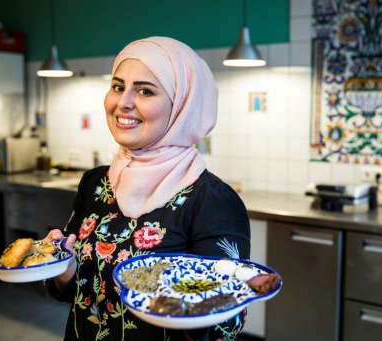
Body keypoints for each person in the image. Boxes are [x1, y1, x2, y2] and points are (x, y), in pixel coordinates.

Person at [43, 36, 251, 340]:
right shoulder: (96, 183)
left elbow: (226, 326)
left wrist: (191, 309)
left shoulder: (212, 201)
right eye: (117, 86)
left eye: (145, 90)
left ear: (182, 105)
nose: (123, 102)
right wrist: (62, 271)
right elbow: (77, 294)